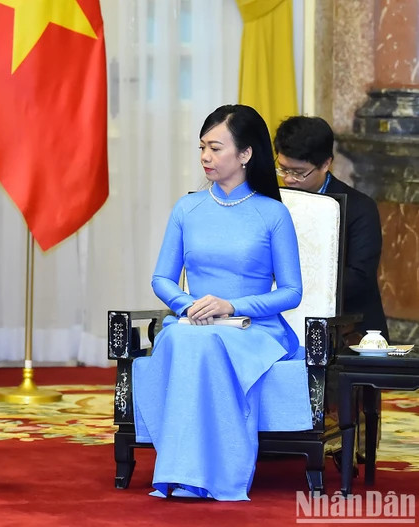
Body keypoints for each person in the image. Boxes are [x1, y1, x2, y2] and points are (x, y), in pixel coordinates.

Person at [132, 104, 305, 501]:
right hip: (195, 323)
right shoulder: (187, 208)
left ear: (245, 154)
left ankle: (213, 474)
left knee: (202, 342)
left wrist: (232, 305)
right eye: (202, 148)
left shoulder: (273, 214)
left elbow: (291, 292)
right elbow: (162, 277)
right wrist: (187, 304)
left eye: (215, 148)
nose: (205, 157)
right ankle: (180, 471)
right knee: (178, 339)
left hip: (254, 328)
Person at [274, 115, 389, 342]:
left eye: (298, 172)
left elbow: (359, 277)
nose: (288, 179)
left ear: (326, 164)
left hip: (349, 331)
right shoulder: (273, 202)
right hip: (283, 322)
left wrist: (291, 284)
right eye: (282, 169)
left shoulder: (360, 208)